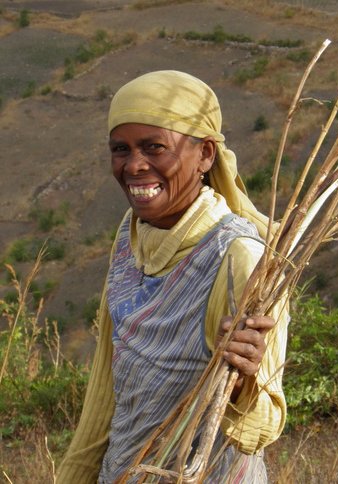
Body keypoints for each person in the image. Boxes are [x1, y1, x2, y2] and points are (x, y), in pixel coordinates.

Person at [56, 70, 289, 483]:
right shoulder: (131, 234)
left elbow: (263, 428)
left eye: (154, 147)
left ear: (206, 154)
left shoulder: (237, 258)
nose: (134, 165)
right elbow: (108, 378)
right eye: (120, 149)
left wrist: (241, 382)